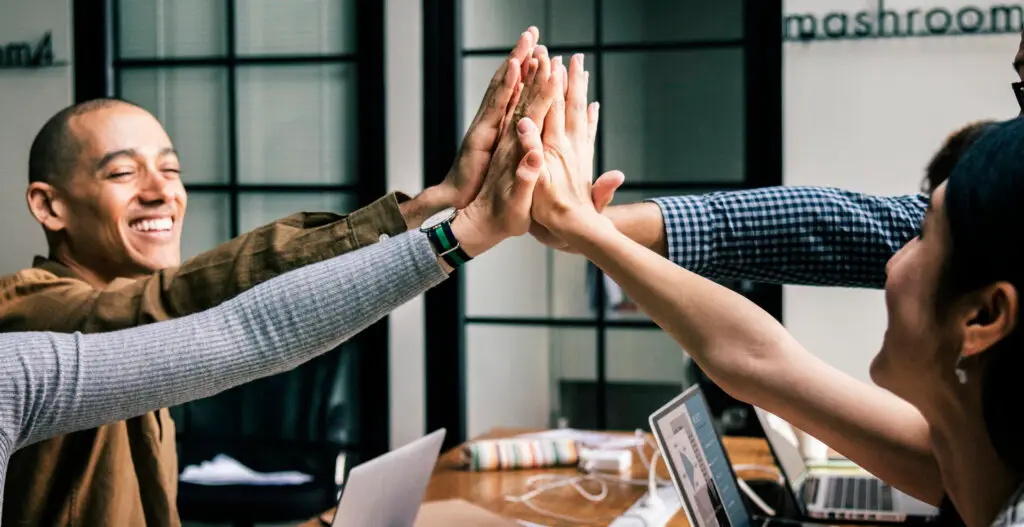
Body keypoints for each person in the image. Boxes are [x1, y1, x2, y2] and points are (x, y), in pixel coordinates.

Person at [2, 26, 612, 527]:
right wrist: (439, 211)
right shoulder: (31, 318)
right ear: (49, 206)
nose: (162, 192)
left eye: (170, 169)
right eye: (121, 175)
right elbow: (209, 312)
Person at [519, 58, 1024, 527]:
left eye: (923, 233)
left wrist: (585, 226)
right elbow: (759, 358)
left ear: (984, 316)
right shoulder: (980, 465)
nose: (890, 260)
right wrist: (589, 228)